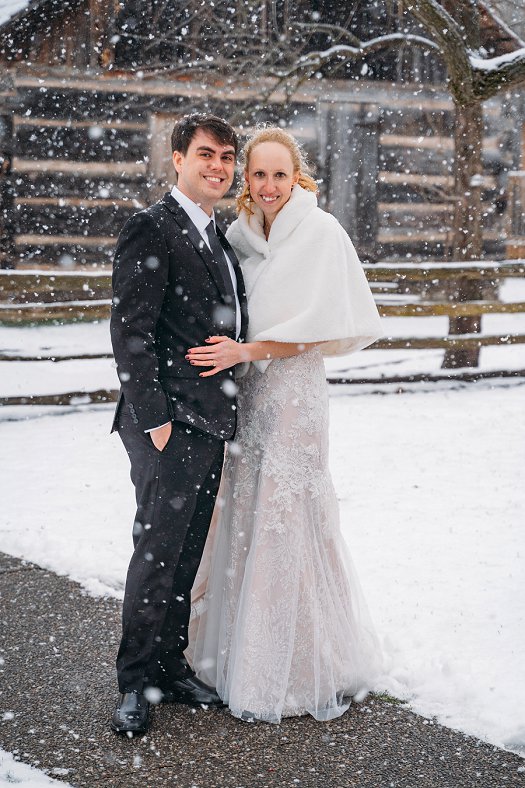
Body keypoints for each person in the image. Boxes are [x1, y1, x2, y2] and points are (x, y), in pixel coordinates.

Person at [186, 127, 383, 723]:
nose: (269, 186)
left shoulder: (319, 232)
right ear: (246, 180)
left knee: (287, 511)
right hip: (249, 397)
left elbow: (317, 330)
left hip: (294, 394)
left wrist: (246, 351)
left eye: (279, 174)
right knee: (246, 509)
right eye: (259, 174)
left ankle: (296, 666)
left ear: (297, 177)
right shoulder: (238, 238)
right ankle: (235, 654)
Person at [109, 113, 248, 735]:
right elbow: (131, 331)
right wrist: (156, 419)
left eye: (227, 157)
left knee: (187, 550)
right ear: (179, 159)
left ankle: (169, 667)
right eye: (206, 155)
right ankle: (134, 681)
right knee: (157, 550)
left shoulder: (216, 235)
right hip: (166, 422)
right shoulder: (152, 226)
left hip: (210, 419)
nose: (218, 166)